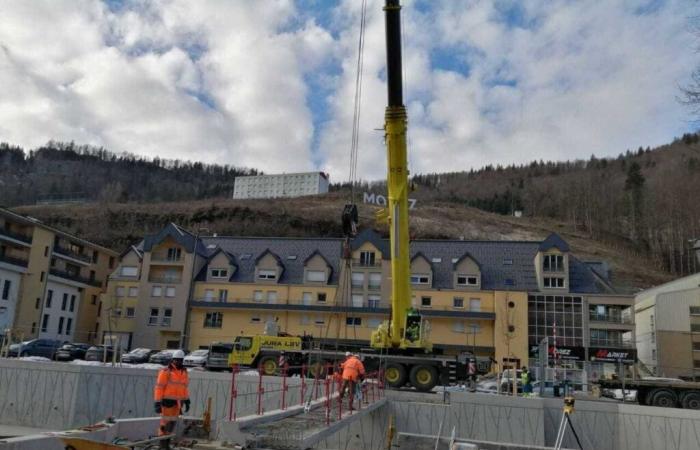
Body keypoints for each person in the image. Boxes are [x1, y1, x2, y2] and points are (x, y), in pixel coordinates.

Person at [154, 350, 190, 449]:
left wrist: (187, 400)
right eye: (176, 360)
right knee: (164, 426)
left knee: (171, 425)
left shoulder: (184, 372)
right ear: (172, 360)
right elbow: (159, 387)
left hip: (177, 404)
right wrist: (157, 402)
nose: (178, 362)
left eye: (180, 360)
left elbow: (184, 387)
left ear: (182, 360)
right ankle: (163, 446)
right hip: (167, 403)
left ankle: (167, 445)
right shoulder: (166, 371)